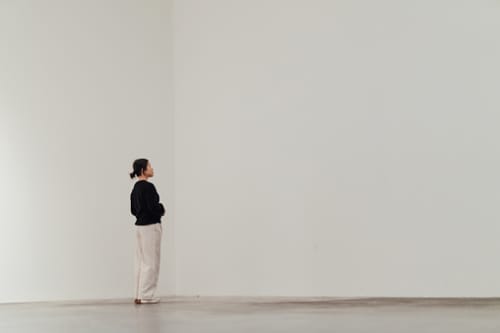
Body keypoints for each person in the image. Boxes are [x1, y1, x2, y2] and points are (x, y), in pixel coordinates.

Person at [130, 158, 165, 304]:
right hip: (150, 227)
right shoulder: (148, 187)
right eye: (149, 166)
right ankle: (147, 295)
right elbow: (153, 207)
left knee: (141, 261)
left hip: (139, 227)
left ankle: (139, 294)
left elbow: (133, 210)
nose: (152, 168)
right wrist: (161, 209)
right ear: (143, 170)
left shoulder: (135, 188)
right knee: (151, 261)